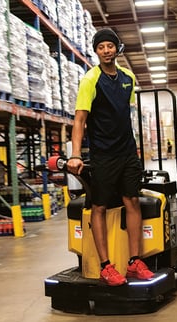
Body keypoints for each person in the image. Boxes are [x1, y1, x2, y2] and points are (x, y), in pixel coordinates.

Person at [67, 28, 154, 286]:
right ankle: (106, 266)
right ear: (96, 51)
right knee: (100, 206)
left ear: (117, 48)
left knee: (132, 200)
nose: (106, 50)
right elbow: (80, 120)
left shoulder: (128, 78)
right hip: (103, 154)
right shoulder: (90, 79)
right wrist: (74, 155)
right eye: (101, 47)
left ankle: (135, 262)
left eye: (110, 46)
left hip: (127, 151)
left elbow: (122, 114)